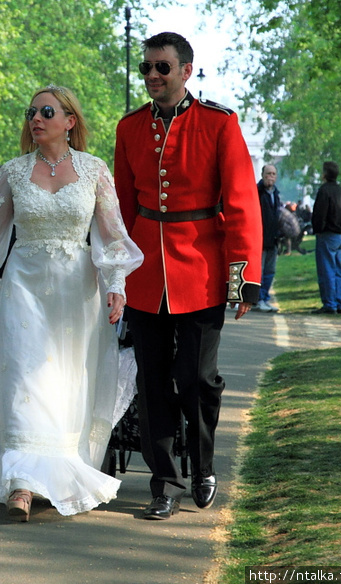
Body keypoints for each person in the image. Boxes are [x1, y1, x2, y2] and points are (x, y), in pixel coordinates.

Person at [0, 85, 143, 522]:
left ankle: (55, 470)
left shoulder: (94, 171)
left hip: (78, 291)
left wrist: (117, 286)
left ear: (70, 121)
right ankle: (21, 481)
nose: (35, 118)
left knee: (64, 380)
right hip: (24, 286)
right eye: (31, 112)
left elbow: (112, 236)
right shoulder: (14, 173)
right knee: (23, 374)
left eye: (46, 111)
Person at [114, 32, 262, 521]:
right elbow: (118, 206)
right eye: (147, 68)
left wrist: (242, 280)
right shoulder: (130, 127)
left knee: (197, 378)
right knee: (152, 381)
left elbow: (241, 204)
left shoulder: (219, 124)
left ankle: (202, 466)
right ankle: (164, 483)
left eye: (162, 67)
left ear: (186, 71)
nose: (153, 75)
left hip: (201, 270)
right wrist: (112, 271)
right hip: (143, 274)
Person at [310, 162, 341, 314]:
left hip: (327, 234)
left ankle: (329, 304)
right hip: (340, 234)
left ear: (325, 174)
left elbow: (319, 214)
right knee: (337, 270)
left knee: (326, 270)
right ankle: (339, 302)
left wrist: (318, 229)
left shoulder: (324, 191)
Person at [256, 165, 281, 312]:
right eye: (268, 173)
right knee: (259, 270)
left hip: (273, 239)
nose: (270, 176)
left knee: (270, 271)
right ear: (262, 174)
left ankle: (264, 297)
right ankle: (259, 299)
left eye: (273, 174)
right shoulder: (257, 192)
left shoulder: (276, 194)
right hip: (260, 238)